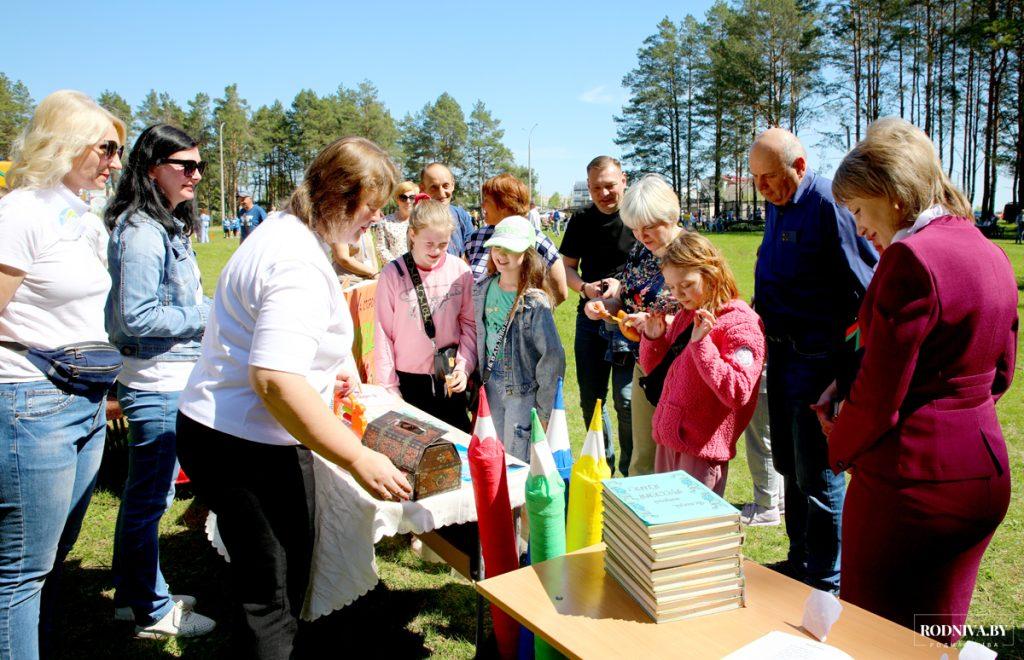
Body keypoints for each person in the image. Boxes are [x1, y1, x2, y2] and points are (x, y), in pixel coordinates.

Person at [176, 137, 411, 659]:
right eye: (369, 209)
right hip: (248, 446)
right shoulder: (297, 261)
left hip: (222, 431)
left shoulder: (281, 232)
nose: (372, 222)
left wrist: (327, 376)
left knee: (262, 587)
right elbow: (277, 380)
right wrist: (356, 456)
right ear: (336, 196)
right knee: (275, 599)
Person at [816, 118, 1016, 645]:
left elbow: (881, 400)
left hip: (910, 488)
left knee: (875, 636)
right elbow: (1002, 373)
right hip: (981, 472)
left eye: (858, 210)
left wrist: (838, 442)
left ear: (892, 195)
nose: (858, 227)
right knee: (936, 634)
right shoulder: (987, 248)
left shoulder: (910, 257)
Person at [0, 89, 125, 659]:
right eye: (106, 148)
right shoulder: (22, 211)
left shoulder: (81, 214)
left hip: (84, 400)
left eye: (117, 150)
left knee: (52, 555)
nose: (115, 163)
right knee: (22, 570)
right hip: (31, 401)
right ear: (67, 142)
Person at [749, 127, 877, 593]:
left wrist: (844, 372)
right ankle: (800, 560)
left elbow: (866, 289)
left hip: (818, 362)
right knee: (789, 465)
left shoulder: (828, 205)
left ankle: (826, 581)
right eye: (755, 179)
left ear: (799, 167)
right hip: (780, 356)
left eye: (769, 177)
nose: (761, 188)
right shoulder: (775, 203)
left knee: (819, 477)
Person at [103, 124, 216, 639]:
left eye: (198, 165)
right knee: (151, 498)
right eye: (184, 165)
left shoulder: (166, 225)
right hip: (154, 383)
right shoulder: (143, 233)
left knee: (146, 495)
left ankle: (133, 594)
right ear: (151, 169)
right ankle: (150, 608)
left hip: (170, 377)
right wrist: (207, 314)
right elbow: (136, 318)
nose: (195, 174)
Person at [630, 233, 764, 495]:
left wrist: (703, 344)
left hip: (701, 453)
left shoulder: (740, 323)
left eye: (687, 285)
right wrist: (653, 338)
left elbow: (737, 391)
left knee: (692, 530)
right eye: (671, 287)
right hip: (669, 441)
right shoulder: (686, 315)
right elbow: (655, 370)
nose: (678, 295)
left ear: (711, 273)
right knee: (667, 529)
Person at [582, 174, 682, 477]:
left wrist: (659, 323)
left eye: (648, 227)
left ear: (669, 216)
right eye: (635, 228)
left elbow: (712, 314)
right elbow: (627, 300)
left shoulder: (691, 252)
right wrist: (604, 308)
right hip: (646, 363)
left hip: (682, 368)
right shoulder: (642, 251)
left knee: (677, 460)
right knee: (643, 458)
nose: (640, 235)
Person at [560, 155, 638, 475]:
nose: (604, 194)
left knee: (627, 401)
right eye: (596, 188)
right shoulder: (580, 221)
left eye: (609, 185)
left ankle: (632, 470)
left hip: (629, 322)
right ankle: (603, 467)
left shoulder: (638, 216)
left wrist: (623, 288)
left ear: (624, 180)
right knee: (592, 401)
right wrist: (585, 289)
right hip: (590, 321)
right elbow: (566, 268)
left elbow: (657, 265)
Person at [374, 197, 477, 432]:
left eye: (443, 244)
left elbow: (469, 324)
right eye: (429, 243)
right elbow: (383, 333)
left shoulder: (460, 270)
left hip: (450, 376)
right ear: (412, 234)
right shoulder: (392, 274)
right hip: (409, 382)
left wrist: (464, 366)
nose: (436, 251)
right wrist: (390, 389)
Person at [472, 215, 565, 462]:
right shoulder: (482, 290)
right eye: (497, 247)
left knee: (518, 460)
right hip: (490, 384)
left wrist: (545, 412)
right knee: (493, 455)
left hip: (522, 394)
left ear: (526, 253)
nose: (501, 255)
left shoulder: (534, 302)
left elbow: (553, 358)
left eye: (510, 249)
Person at [466, 173, 568, 303]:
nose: (482, 205)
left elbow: (560, 292)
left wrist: (530, 315)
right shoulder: (476, 237)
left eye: (486, 200)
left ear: (504, 204)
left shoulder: (538, 241)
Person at [419, 162, 475, 257]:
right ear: (422, 188)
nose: (441, 193)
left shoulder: (461, 215)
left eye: (445, 186)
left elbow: (472, 250)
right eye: (434, 187)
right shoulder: (418, 220)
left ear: (453, 185)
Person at [372, 181, 416, 264]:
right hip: (397, 271)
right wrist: (398, 266)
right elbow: (381, 248)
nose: (408, 201)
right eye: (403, 197)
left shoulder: (422, 221)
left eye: (412, 197)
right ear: (397, 200)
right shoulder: (384, 222)